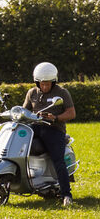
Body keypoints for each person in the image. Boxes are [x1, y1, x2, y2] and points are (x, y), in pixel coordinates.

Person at [23, 61, 76, 207]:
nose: (45, 86)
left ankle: (66, 195)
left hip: (54, 129)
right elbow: (25, 111)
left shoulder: (62, 92)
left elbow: (71, 113)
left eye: (48, 84)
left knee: (58, 160)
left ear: (53, 82)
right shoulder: (32, 93)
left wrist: (56, 118)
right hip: (34, 127)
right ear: (36, 82)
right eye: (42, 84)